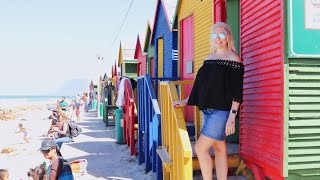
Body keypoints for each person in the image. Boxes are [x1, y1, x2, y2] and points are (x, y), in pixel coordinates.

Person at [173, 22, 244, 180]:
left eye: (221, 35)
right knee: (219, 148)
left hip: (222, 113)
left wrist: (232, 118)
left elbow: (236, 93)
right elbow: (200, 86)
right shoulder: (209, 58)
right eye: (214, 35)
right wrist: (185, 101)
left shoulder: (234, 59)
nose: (218, 38)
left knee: (200, 148)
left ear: (228, 36)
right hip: (207, 111)